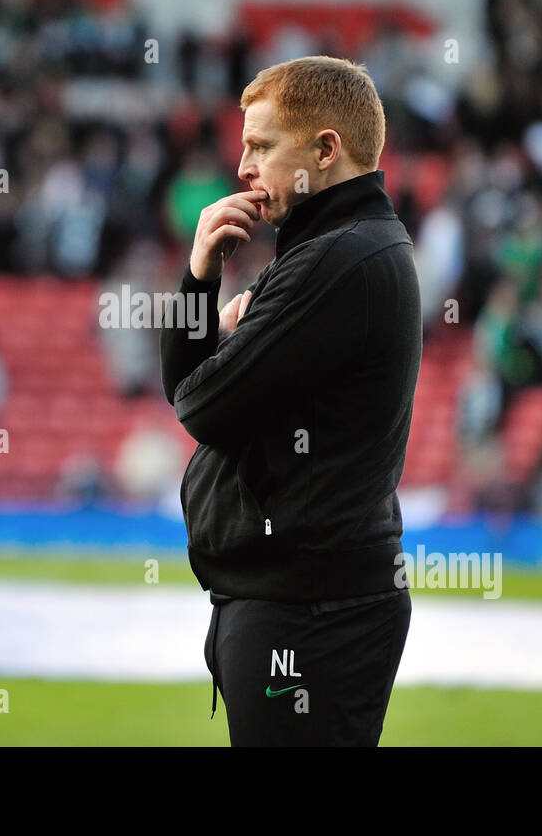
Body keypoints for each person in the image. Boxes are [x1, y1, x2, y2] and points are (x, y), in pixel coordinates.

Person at [159, 56, 421, 746]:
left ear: (326, 149)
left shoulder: (337, 259)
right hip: (298, 604)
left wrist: (220, 349)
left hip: (310, 613)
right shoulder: (327, 248)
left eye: (262, 146)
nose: (242, 165)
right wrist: (199, 279)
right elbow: (193, 395)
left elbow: (201, 408)